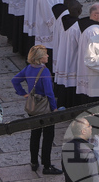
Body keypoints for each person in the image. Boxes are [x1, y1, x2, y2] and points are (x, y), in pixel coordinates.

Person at [11, 45, 63, 175]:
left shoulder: (28, 69)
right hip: (45, 108)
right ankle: (47, 165)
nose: (48, 56)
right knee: (48, 137)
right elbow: (49, 93)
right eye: (45, 54)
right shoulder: (44, 72)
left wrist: (23, 93)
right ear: (40, 58)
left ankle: (34, 162)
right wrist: (54, 108)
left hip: (33, 107)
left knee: (35, 134)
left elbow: (15, 80)